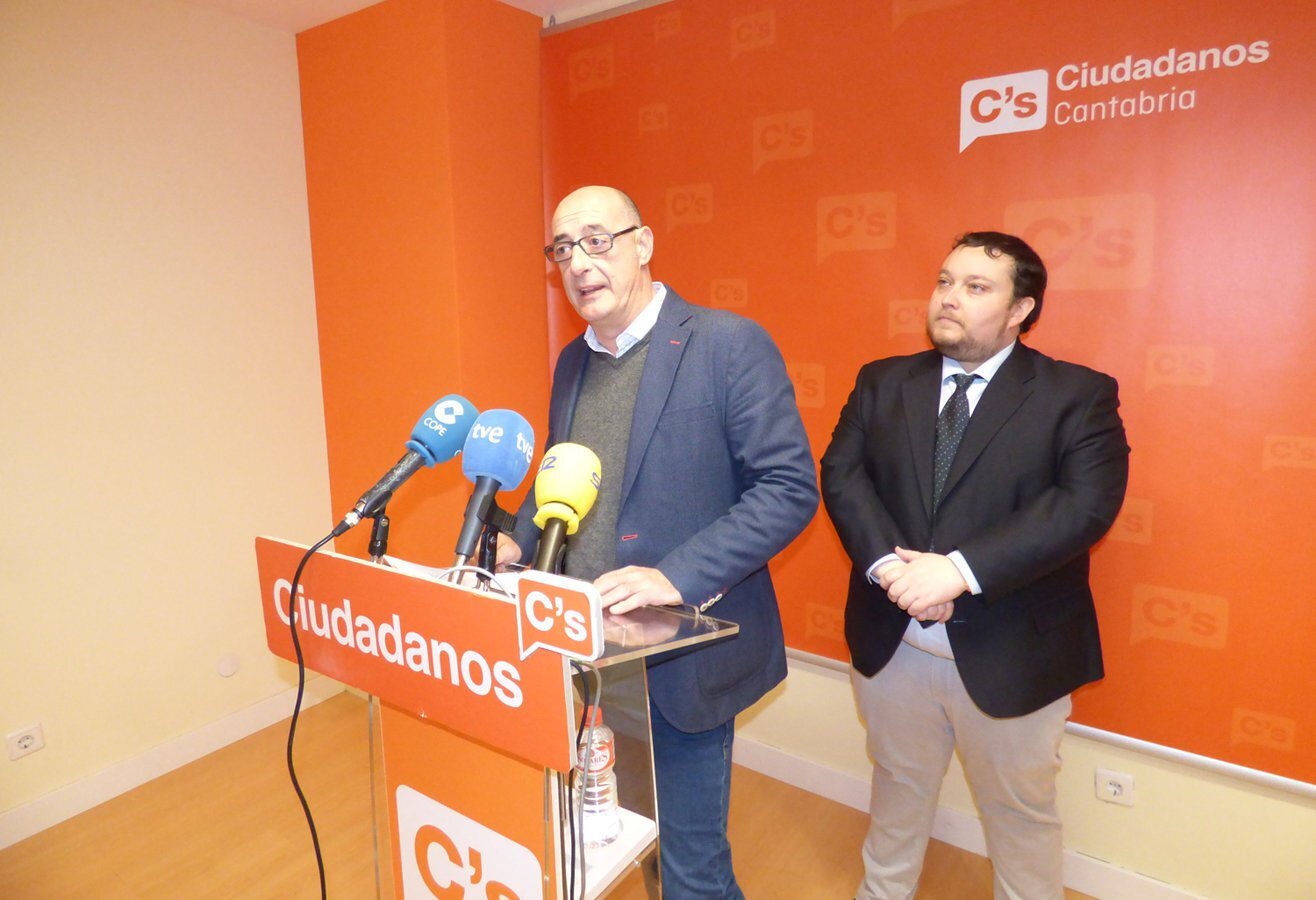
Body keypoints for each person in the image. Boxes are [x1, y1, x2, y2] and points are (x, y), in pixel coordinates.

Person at [497, 185, 818, 898]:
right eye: (562, 249)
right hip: (588, 650)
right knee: (632, 843)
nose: (579, 263)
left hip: (680, 656)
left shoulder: (727, 343)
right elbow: (562, 471)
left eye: (597, 240)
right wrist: (517, 540)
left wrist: (675, 576)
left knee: (690, 866)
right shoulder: (573, 363)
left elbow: (789, 488)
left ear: (642, 243)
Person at [820, 232, 1129, 899]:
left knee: (1020, 814)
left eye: (976, 287)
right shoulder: (882, 381)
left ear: (1020, 309)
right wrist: (893, 572)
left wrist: (957, 571)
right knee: (896, 789)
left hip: (1014, 649)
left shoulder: (1076, 395)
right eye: (944, 281)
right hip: (892, 640)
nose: (949, 298)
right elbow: (843, 475)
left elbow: (1084, 507)